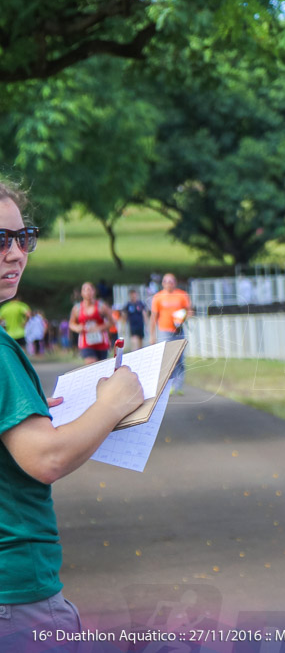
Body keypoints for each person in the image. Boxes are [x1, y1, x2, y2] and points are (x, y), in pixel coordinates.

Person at [0, 179, 143, 649]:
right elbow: (47, 459)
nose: (17, 253)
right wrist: (113, 402)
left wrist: (30, 416)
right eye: (0, 240)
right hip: (16, 594)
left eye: (23, 238)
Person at [150, 273, 192, 394]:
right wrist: (152, 335)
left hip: (179, 331)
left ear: (175, 282)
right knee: (167, 359)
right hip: (164, 331)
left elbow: (189, 311)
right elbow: (153, 317)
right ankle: (166, 385)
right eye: (166, 281)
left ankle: (178, 386)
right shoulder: (158, 297)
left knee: (179, 358)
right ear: (162, 283)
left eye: (171, 281)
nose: (169, 283)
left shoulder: (182, 295)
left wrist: (182, 317)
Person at [69, 281, 116, 365]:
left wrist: (99, 327)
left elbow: (112, 322)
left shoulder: (101, 306)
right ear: (82, 293)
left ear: (94, 292)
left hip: (101, 342)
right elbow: (71, 324)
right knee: (91, 364)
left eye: (90, 290)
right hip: (86, 343)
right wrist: (78, 328)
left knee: (101, 368)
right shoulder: (77, 308)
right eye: (85, 290)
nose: (88, 292)